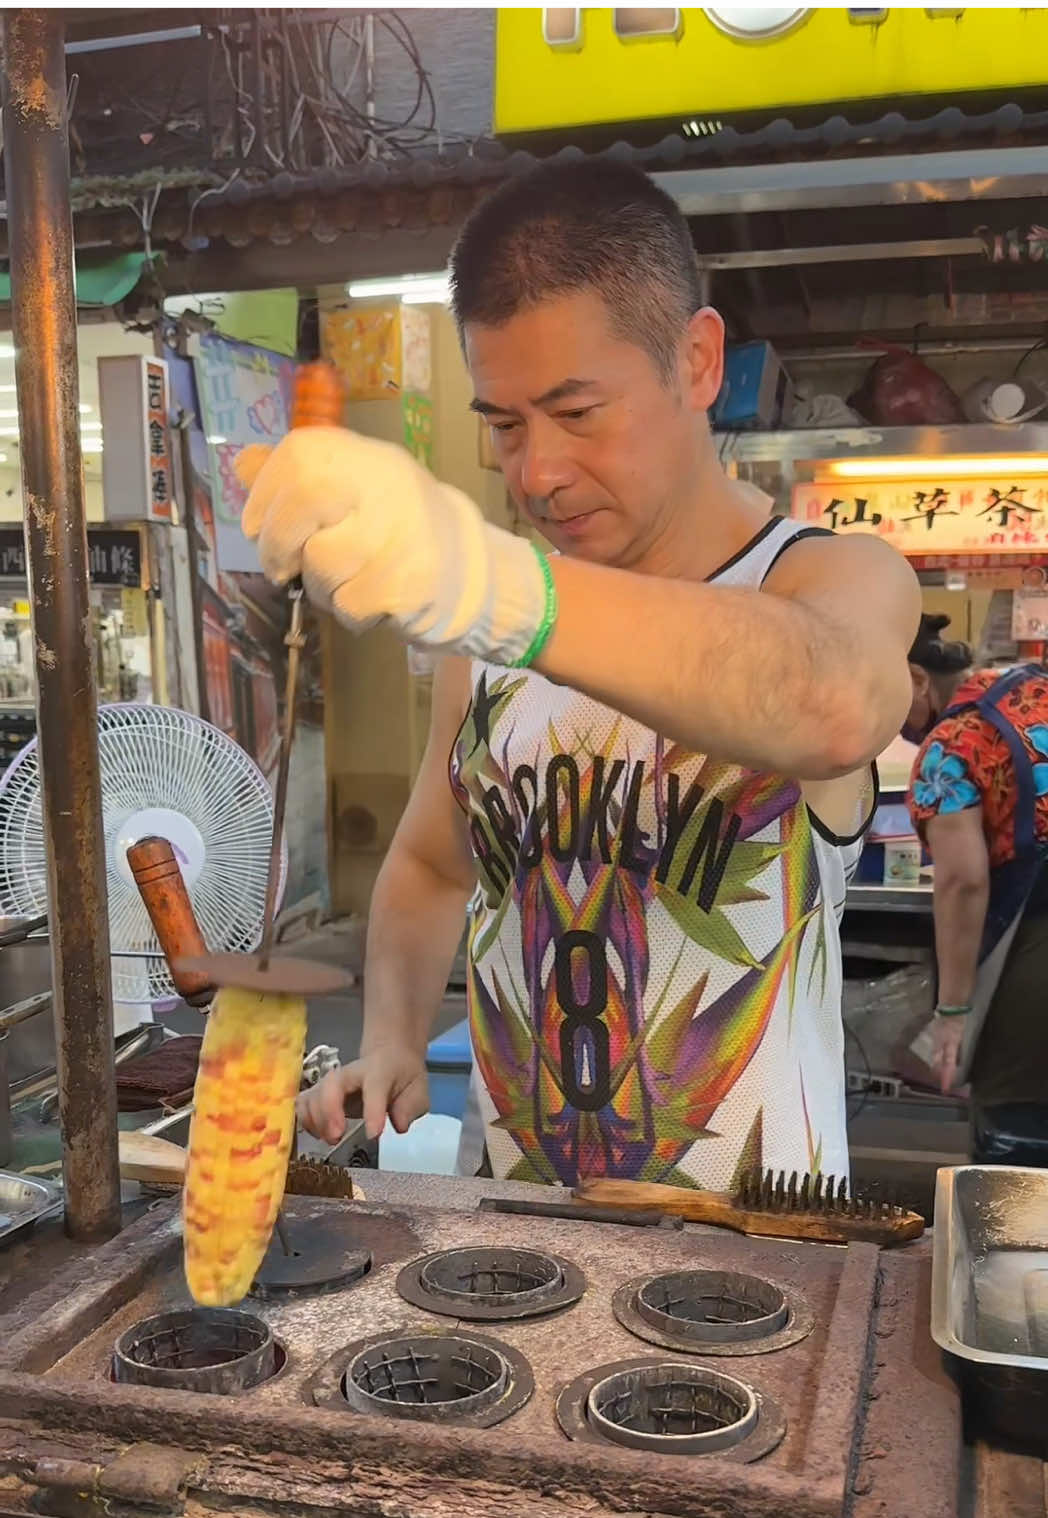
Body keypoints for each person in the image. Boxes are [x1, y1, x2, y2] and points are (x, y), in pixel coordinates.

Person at [244, 159, 918, 1189]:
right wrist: (389, 1037)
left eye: (576, 411)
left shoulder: (825, 575)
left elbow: (827, 700)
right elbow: (431, 864)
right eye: (505, 426)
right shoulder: (489, 638)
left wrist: (494, 586)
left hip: (755, 1266)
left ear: (695, 363)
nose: (536, 473)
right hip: (516, 1241)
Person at [906, 614, 1048, 1154]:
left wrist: (954, 1012)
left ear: (918, 679)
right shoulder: (1034, 684)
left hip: (1034, 948)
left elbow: (964, 882)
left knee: (1020, 1142)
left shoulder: (951, 745)